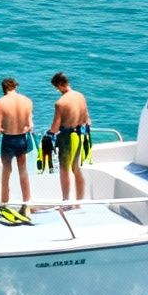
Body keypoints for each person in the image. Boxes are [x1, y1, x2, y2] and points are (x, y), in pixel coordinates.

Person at [0, 76, 33, 216]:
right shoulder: (27, 101)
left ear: (4, 89)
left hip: (8, 141)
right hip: (22, 139)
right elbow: (30, 125)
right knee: (23, 172)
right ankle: (26, 205)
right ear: (15, 86)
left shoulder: (0, 103)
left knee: (6, 172)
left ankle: (4, 204)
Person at [50, 72, 92, 207]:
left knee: (64, 169)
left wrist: (49, 134)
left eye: (57, 88)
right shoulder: (80, 96)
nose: (57, 91)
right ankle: (79, 202)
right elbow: (87, 120)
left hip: (67, 138)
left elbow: (55, 127)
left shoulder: (60, 103)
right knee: (76, 168)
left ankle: (66, 201)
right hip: (80, 136)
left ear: (60, 85)